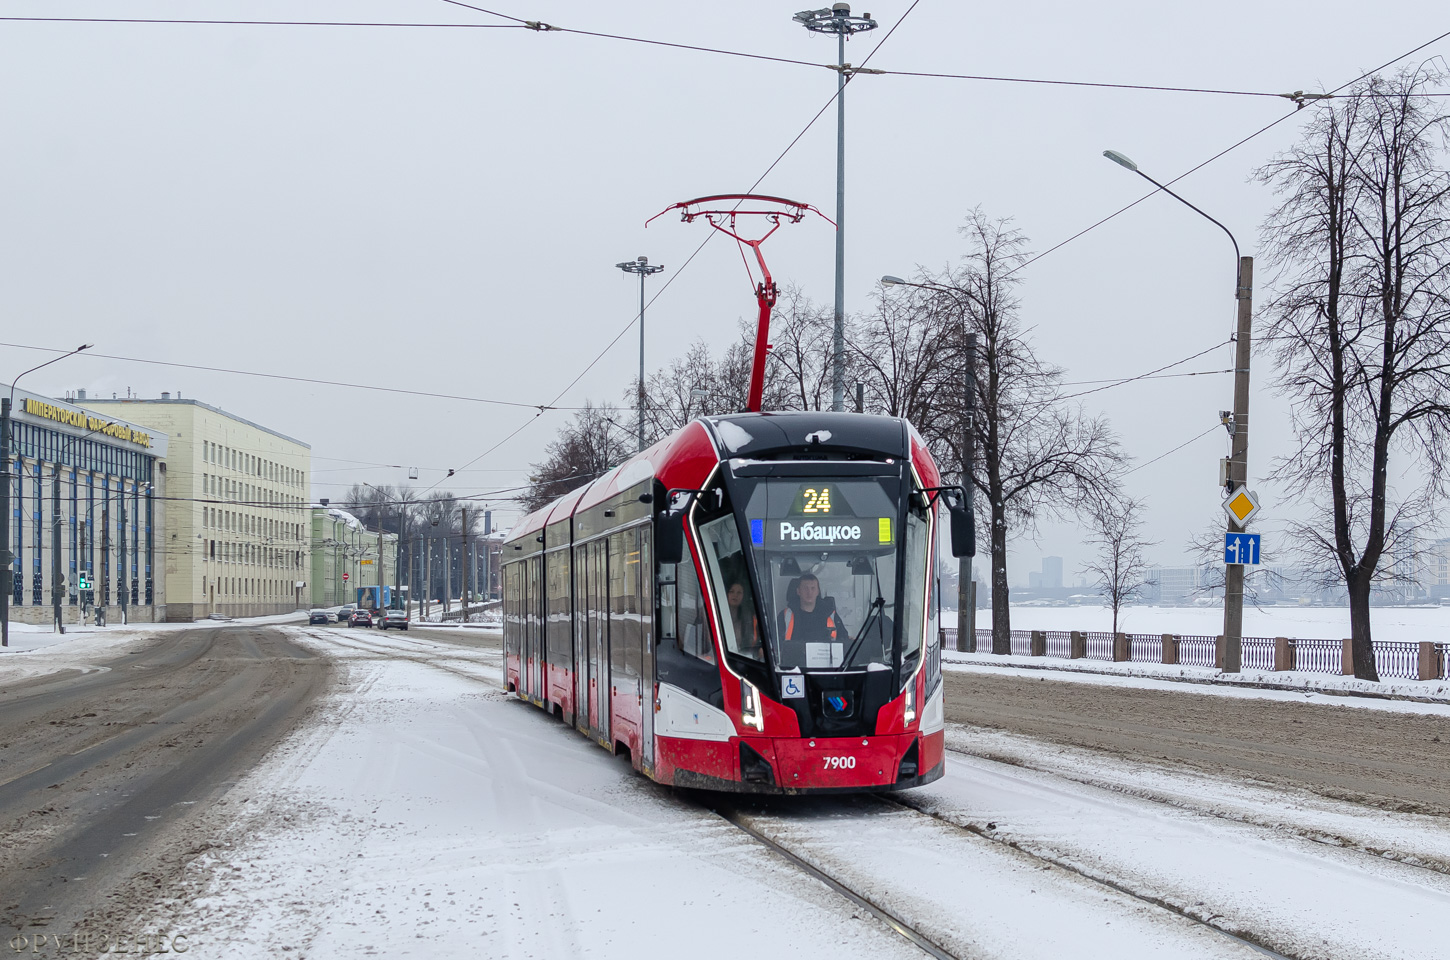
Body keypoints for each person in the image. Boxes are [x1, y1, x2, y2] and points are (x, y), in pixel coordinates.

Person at [776, 572, 846, 650]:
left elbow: (844, 641)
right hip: (793, 661)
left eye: (813, 588)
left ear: (818, 592)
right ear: (798, 591)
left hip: (825, 660)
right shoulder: (785, 616)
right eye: (806, 588)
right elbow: (774, 642)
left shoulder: (830, 614)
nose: (809, 592)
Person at [726, 581, 762, 658]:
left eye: (739, 593)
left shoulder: (750, 617)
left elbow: (757, 643)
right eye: (731, 591)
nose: (735, 595)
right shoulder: (715, 613)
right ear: (726, 594)